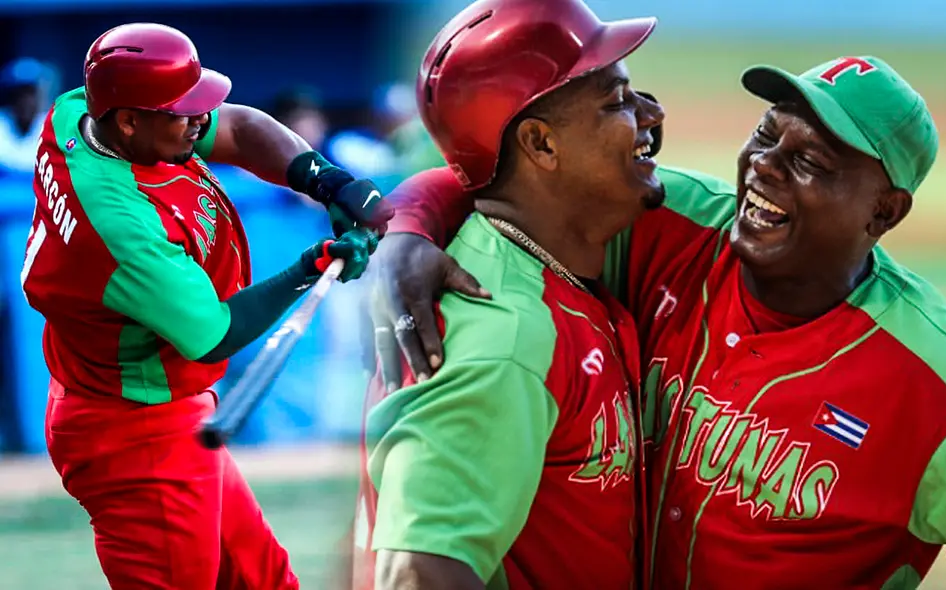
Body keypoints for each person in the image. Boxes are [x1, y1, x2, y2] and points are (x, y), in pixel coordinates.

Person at [367, 56, 946, 589]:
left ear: (883, 212)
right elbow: (524, 182)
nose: (765, 166)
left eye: (811, 162)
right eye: (766, 134)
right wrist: (404, 226)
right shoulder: (678, 226)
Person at [22, 23, 393, 589]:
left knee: (263, 578)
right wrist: (312, 265)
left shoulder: (81, 112)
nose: (200, 118)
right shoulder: (120, 225)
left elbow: (240, 130)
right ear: (128, 120)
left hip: (155, 408)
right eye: (182, 109)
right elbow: (215, 334)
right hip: (135, 433)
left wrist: (330, 184)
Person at [353, 1, 664, 589]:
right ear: (541, 145)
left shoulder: (546, 274)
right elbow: (418, 575)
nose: (652, 112)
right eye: (618, 101)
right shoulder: (507, 332)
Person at [0, 57, 49, 174]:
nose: (25, 102)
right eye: (18, 95)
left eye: (30, 94)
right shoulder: (2, 124)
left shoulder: (55, 127)